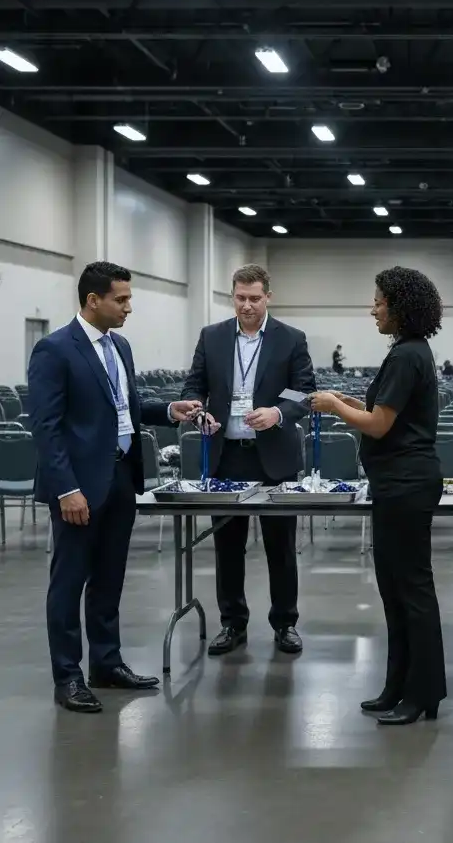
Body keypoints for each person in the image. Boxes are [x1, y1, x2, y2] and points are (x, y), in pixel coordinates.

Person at [28, 262, 203, 713]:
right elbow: (46, 428)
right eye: (121, 299)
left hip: (122, 478)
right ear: (93, 300)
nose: (129, 307)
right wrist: (66, 489)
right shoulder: (55, 350)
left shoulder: (119, 346)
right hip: (78, 488)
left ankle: (106, 663)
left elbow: (126, 407)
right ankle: (68, 676)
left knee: (108, 579)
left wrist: (169, 410)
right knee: (69, 582)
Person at [312, 266, 446, 725]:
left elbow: (380, 425)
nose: (373, 309)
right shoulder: (406, 351)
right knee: (393, 590)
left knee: (411, 590)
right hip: (396, 483)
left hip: (407, 484)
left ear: (399, 307)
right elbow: (383, 413)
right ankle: (398, 684)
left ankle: (422, 692)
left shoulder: (408, 354)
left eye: (379, 302)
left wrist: (336, 407)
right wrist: (350, 404)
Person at [182, 264, 315, 658]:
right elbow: (195, 385)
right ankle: (232, 623)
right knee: (228, 547)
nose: (247, 305)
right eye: (240, 298)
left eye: (255, 298)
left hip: (274, 457)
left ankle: (285, 623)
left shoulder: (291, 338)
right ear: (232, 296)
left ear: (268, 297)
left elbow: (304, 391)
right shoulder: (212, 336)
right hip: (227, 457)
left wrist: (277, 413)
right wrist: (197, 410)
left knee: (281, 547)